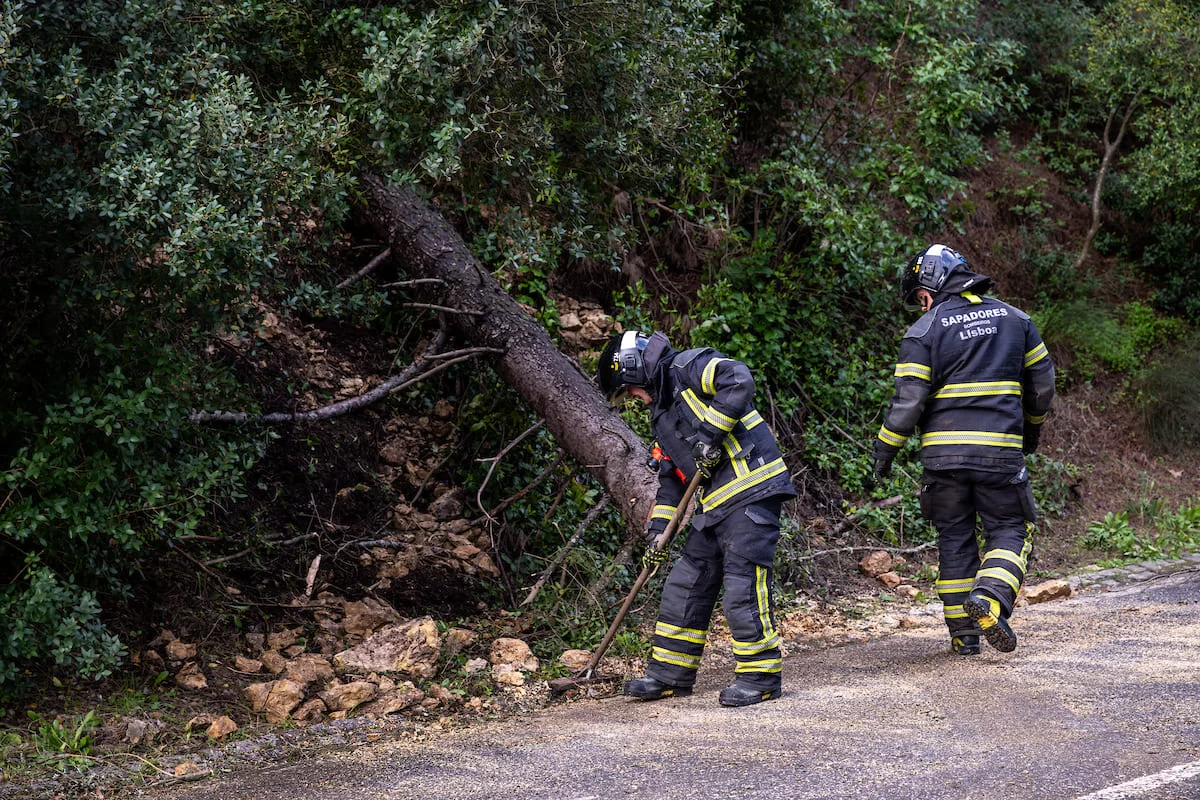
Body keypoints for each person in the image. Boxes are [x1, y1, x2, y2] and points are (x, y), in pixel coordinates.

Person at [596, 330, 797, 706]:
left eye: (629, 390)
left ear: (635, 369)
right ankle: (669, 675)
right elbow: (672, 482)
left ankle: (761, 677)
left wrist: (709, 434)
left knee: (741, 586)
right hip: (715, 506)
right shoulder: (661, 417)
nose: (634, 398)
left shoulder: (686, 367)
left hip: (752, 489)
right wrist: (658, 534)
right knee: (685, 584)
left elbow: (738, 378)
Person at [872, 244, 1055, 655]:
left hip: (942, 460)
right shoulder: (1017, 320)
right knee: (1010, 528)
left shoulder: (922, 332)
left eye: (920, 297)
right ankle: (989, 598)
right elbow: (1042, 387)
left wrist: (885, 450)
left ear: (929, 289)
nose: (921, 306)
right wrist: (1032, 430)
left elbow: (908, 403)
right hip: (999, 453)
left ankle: (964, 637)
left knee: (954, 538)